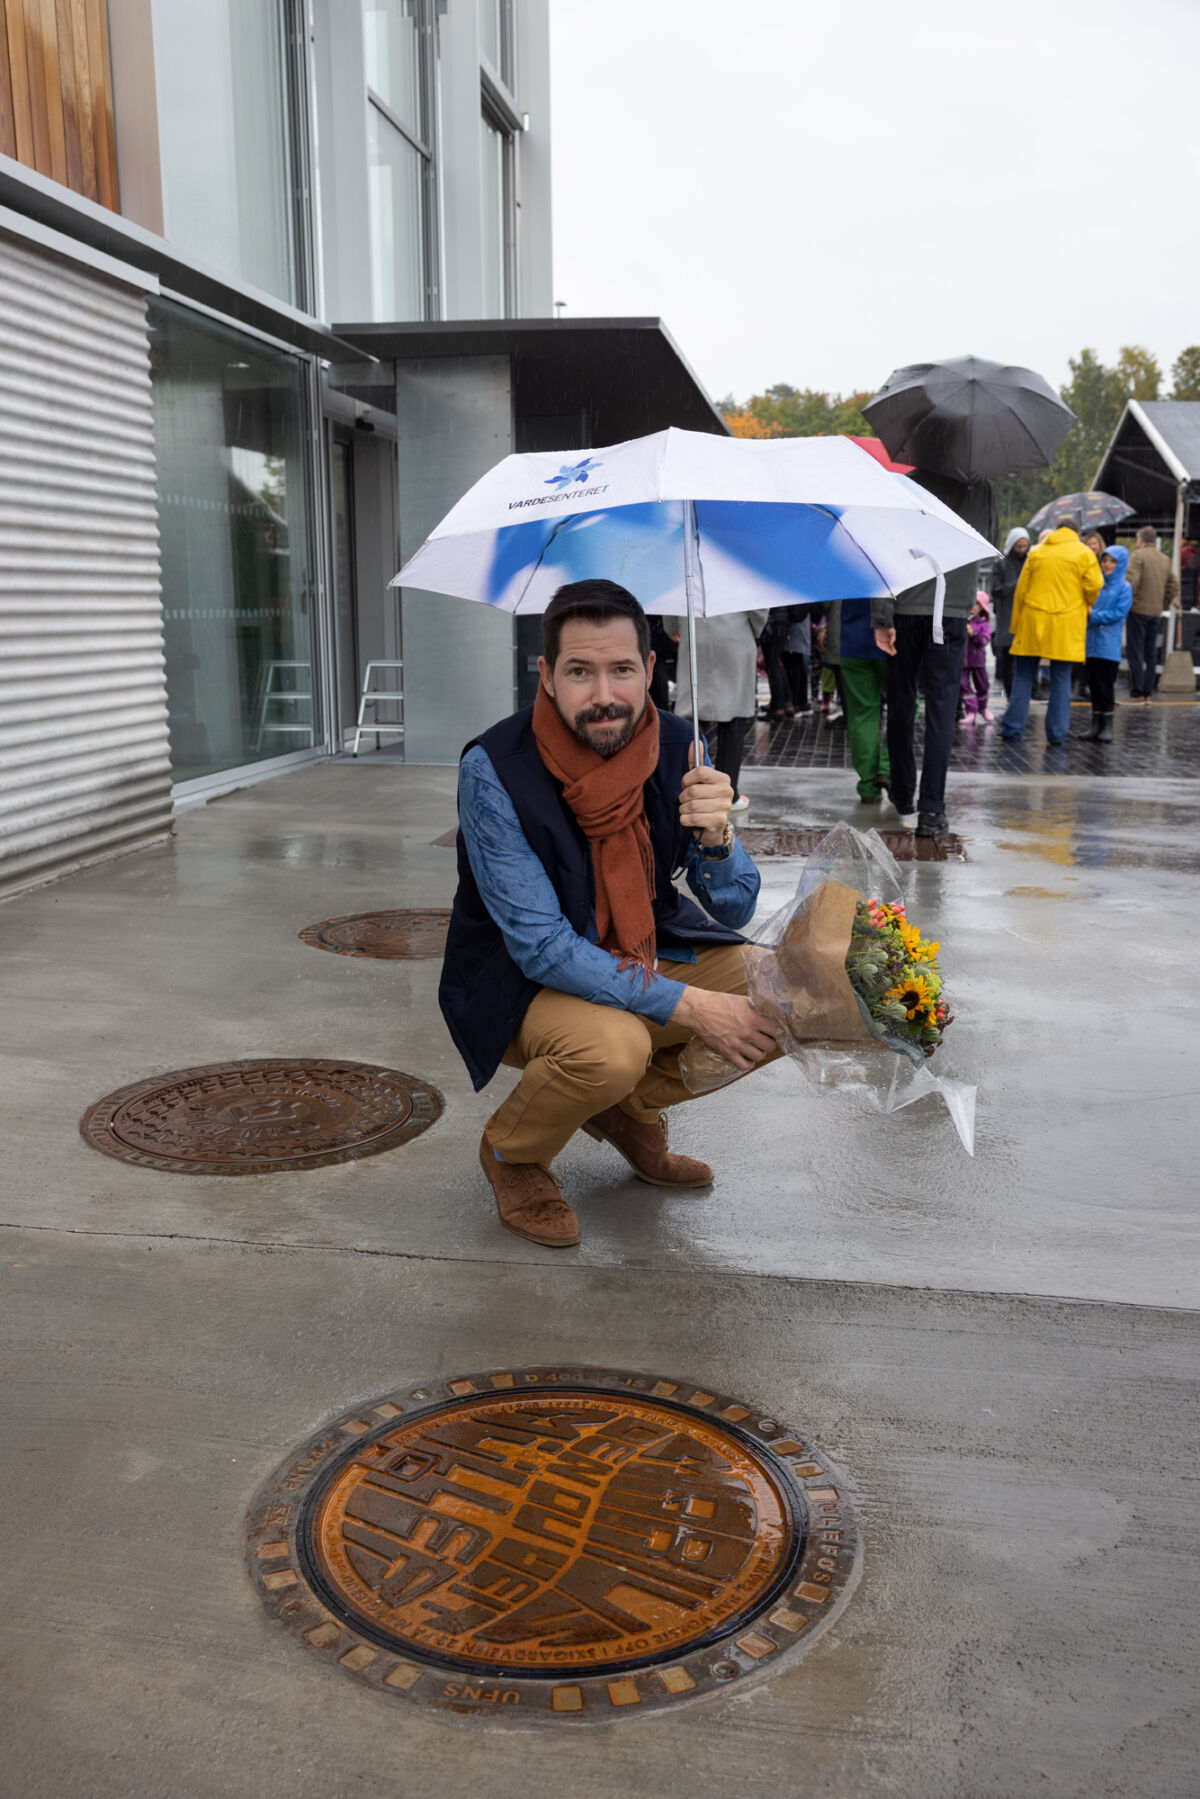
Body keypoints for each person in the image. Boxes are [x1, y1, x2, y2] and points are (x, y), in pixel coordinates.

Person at [442, 579, 779, 1248]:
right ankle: (515, 1151)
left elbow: (735, 901)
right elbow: (542, 947)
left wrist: (719, 837)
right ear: (545, 675)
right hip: (523, 984)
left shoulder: (679, 744)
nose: (603, 694)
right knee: (612, 1048)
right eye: (580, 672)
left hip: (643, 949)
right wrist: (691, 1005)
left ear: (650, 670)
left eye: (622, 669)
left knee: (787, 990)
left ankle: (628, 1113)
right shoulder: (494, 769)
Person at [873, 468, 997, 837]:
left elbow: (882, 549)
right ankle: (932, 810)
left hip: (904, 606)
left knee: (900, 704)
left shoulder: (906, 483)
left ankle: (902, 790)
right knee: (942, 712)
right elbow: (989, 541)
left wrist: (881, 615)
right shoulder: (981, 486)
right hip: (953, 609)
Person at [998, 518, 1102, 744]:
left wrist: (1015, 627)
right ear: (1078, 532)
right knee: (1061, 679)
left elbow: (1021, 593)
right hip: (1066, 624)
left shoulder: (1037, 553)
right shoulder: (1084, 554)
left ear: (1056, 531)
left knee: (1023, 677)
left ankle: (1012, 728)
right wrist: (1085, 601)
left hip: (1033, 622)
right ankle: (1056, 734)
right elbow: (1095, 586)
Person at [668, 607, 768, 813]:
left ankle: (689, 788)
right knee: (734, 717)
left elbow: (671, 595)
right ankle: (728, 792)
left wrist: (672, 625)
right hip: (736, 635)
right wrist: (755, 628)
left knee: (694, 716)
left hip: (695, 635)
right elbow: (759, 608)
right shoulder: (742, 572)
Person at [1075, 544, 1133, 742]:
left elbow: (1118, 614)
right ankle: (1095, 725)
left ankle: (1107, 726)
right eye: (1105, 560)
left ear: (1121, 564)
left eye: (1112, 561)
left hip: (1108, 645)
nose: (1107, 565)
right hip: (1091, 644)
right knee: (1094, 686)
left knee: (1106, 686)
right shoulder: (1097, 583)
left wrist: (1094, 615)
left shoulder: (1125, 588)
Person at [838, 594, 890, 800]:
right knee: (905, 706)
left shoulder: (851, 561)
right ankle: (887, 767)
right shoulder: (900, 561)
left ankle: (868, 786)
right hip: (892, 639)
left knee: (862, 713)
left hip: (853, 639)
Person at [1126, 525, 1180, 700]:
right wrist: (1163, 604)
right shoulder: (1164, 559)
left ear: (1140, 540)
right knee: (1151, 654)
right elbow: (1173, 585)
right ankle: (1148, 692)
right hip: (1156, 612)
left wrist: (1126, 603)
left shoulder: (1138, 555)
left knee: (1135, 652)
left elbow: (1132, 582)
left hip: (1138, 610)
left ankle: (1136, 692)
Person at [990, 526, 1029, 699]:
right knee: (1007, 660)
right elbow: (996, 590)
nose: (1022, 550)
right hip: (1007, 617)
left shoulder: (1031, 561)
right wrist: (1017, 584)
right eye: (1018, 546)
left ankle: (1021, 694)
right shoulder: (1001, 564)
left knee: (1025, 660)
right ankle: (1010, 694)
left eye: (1025, 546)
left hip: (1026, 617)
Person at [960, 592, 993, 724]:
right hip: (963, 661)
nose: (973, 606)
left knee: (983, 685)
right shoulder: (962, 620)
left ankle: (982, 708)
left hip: (978, 661)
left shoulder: (983, 623)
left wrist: (973, 633)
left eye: (977, 604)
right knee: (964, 685)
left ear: (982, 607)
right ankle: (971, 711)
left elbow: (984, 641)